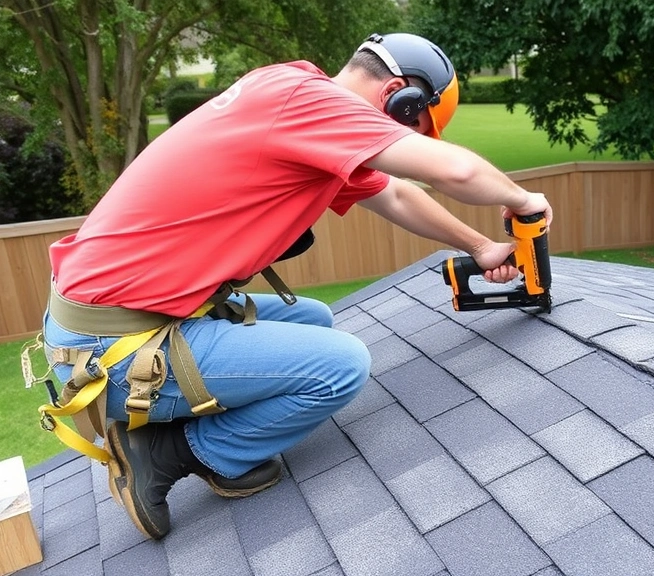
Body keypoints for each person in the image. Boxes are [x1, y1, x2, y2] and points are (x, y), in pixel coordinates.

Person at [40, 32, 553, 540]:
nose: (410, 144)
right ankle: (170, 452)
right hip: (110, 348)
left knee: (314, 320)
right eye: (415, 129)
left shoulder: (292, 96)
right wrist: (521, 198)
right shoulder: (310, 103)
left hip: (109, 314)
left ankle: (192, 432)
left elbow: (395, 195)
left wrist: (480, 248)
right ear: (399, 97)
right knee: (341, 367)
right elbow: (456, 172)